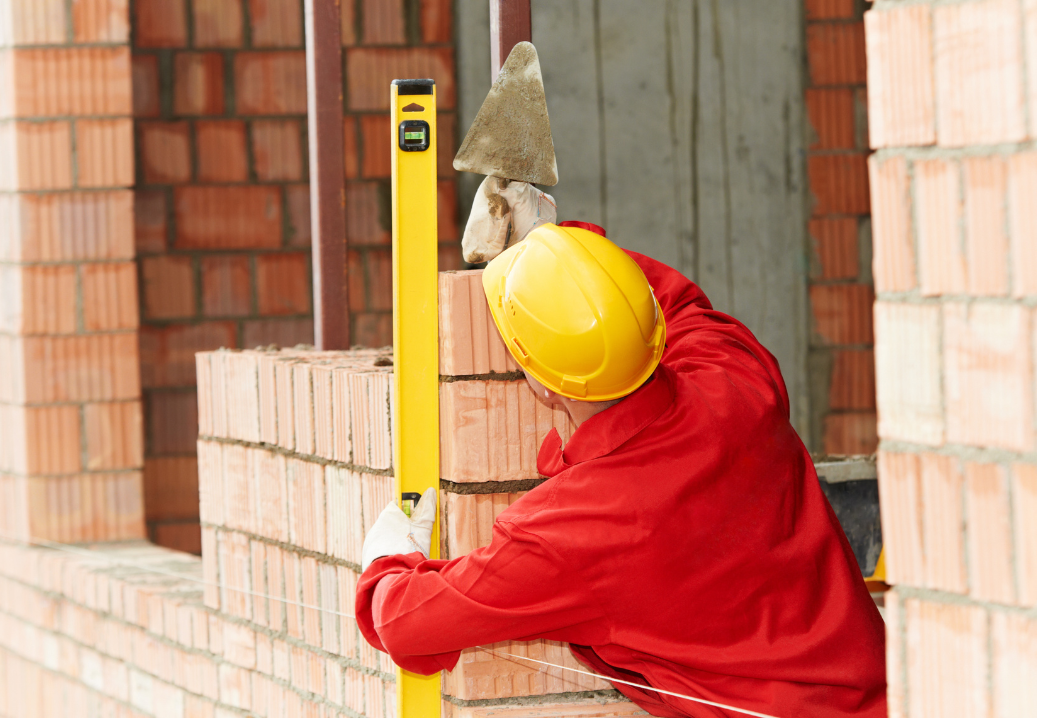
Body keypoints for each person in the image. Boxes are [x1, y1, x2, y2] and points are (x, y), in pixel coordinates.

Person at [355, 181, 887, 718]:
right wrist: (559, 251)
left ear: (543, 386)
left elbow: (405, 623)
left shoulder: (575, 530)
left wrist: (386, 558)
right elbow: (672, 304)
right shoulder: (737, 385)